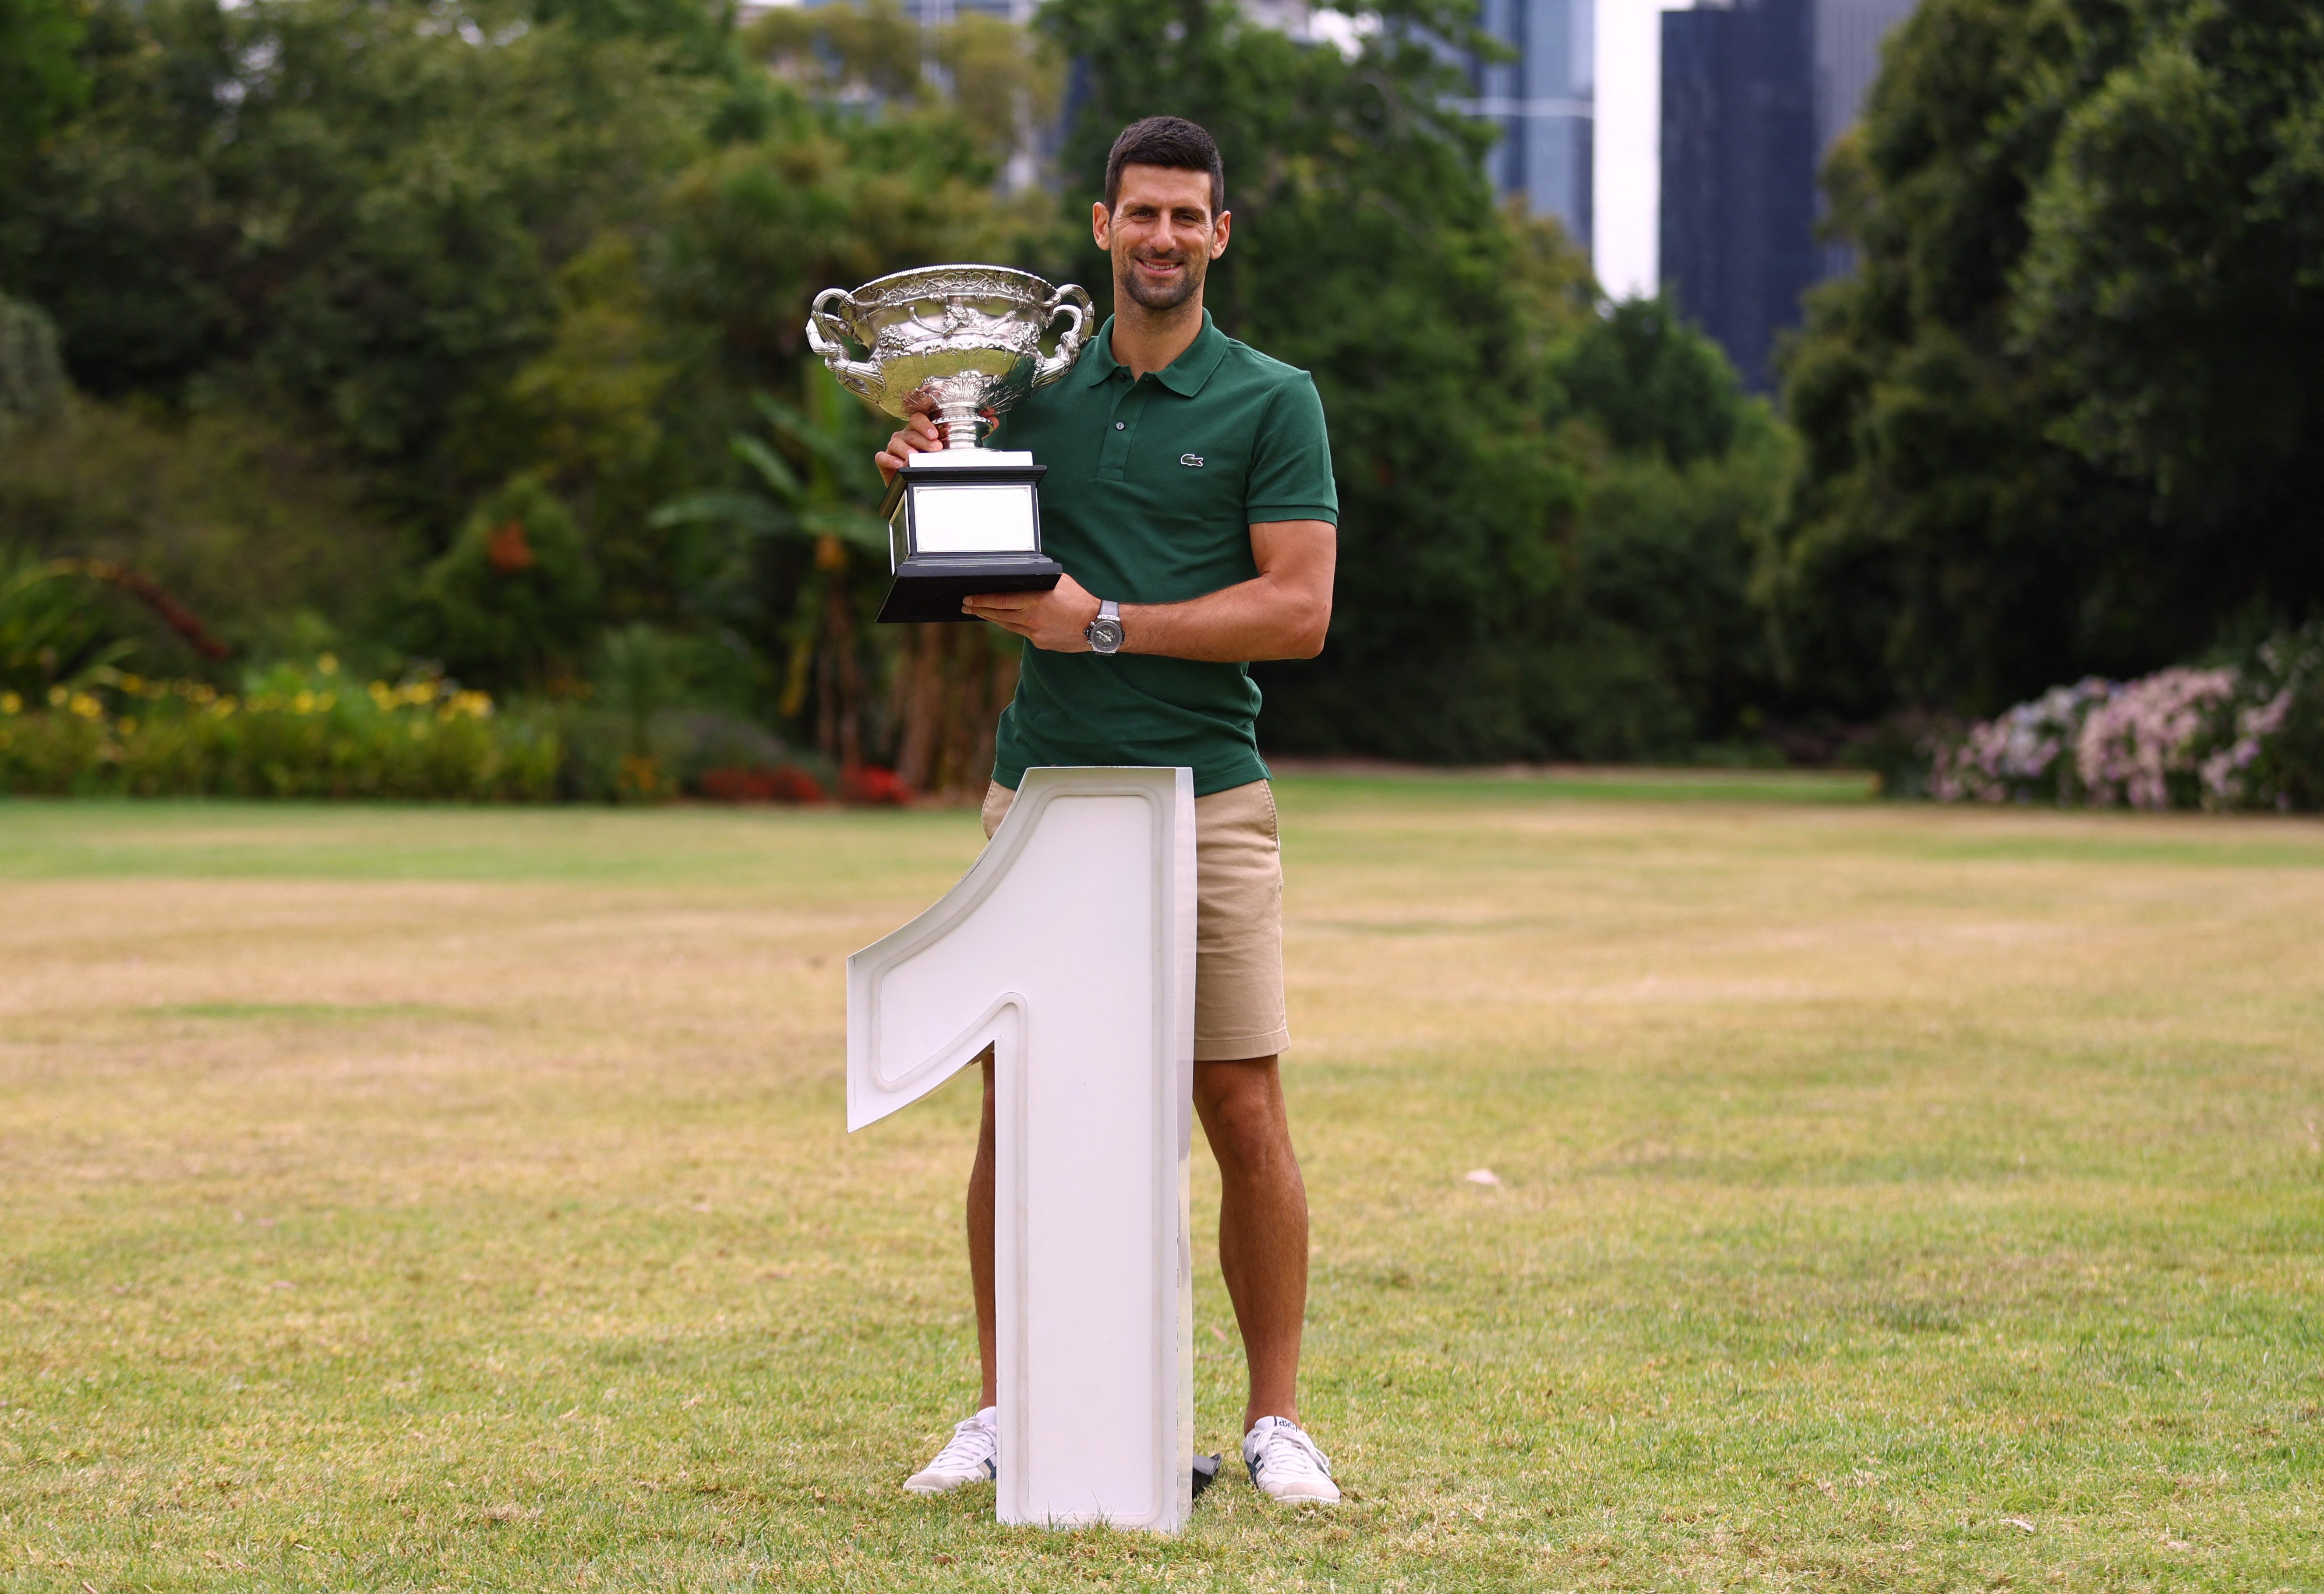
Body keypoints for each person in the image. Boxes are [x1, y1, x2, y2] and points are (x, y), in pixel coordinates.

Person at [872, 115, 1342, 1506]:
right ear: (1100, 228)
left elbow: (1299, 610)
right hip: (1044, 795)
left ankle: (1276, 1426)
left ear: (1219, 236)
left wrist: (1107, 627)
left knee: (1239, 1100)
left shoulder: (1273, 398)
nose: (1161, 238)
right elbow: (970, 554)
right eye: (1139, 214)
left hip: (1209, 802)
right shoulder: (1026, 393)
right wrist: (925, 467)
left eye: (1187, 218)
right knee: (1013, 1106)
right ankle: (1006, 1411)